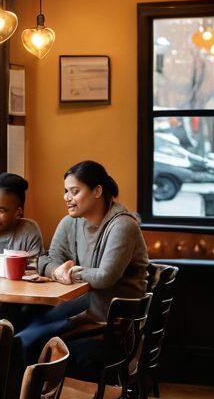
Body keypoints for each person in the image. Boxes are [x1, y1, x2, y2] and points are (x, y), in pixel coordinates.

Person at [14, 160, 149, 380]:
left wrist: (71, 272)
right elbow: (44, 260)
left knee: (28, 338)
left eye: (74, 191)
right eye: (66, 191)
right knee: (21, 328)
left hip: (111, 320)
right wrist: (57, 270)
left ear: (97, 191)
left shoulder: (123, 225)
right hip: (83, 306)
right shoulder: (71, 223)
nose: (67, 197)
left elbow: (105, 277)